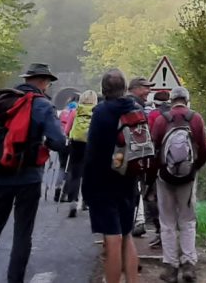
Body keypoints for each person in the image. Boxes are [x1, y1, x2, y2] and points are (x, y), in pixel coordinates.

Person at [0, 63, 68, 283]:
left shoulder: (2, 101)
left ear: (26, 79)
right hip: (28, 179)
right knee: (22, 234)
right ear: (43, 81)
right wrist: (45, 144)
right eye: (48, 83)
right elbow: (59, 141)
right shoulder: (41, 104)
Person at [83, 69, 143, 283]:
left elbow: (92, 153)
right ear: (125, 88)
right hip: (129, 180)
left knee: (112, 239)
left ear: (104, 90)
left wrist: (86, 188)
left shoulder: (101, 112)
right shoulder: (136, 109)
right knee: (126, 235)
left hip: (103, 183)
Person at [148, 85, 206, 283]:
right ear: (186, 100)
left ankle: (170, 267)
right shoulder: (196, 118)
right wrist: (194, 168)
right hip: (187, 177)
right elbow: (205, 150)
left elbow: (152, 150)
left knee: (167, 222)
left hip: (164, 177)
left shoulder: (161, 120)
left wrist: (154, 175)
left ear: (171, 101)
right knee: (188, 219)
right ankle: (188, 265)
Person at [145, 89, 174, 250]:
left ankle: (160, 232)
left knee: (151, 197)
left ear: (155, 103)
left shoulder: (154, 115)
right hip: (179, 165)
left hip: (157, 163)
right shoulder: (181, 115)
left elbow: (149, 139)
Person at [62, 89, 97, 216]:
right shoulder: (96, 111)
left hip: (76, 143)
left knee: (75, 174)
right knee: (89, 174)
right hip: (91, 144)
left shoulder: (75, 111)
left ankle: (73, 201)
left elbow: (67, 130)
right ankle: (86, 202)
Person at [127, 77, 154, 238]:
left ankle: (136, 221)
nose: (148, 91)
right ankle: (137, 221)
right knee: (134, 188)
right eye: (145, 88)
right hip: (134, 156)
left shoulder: (128, 104)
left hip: (123, 157)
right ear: (135, 88)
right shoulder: (135, 107)